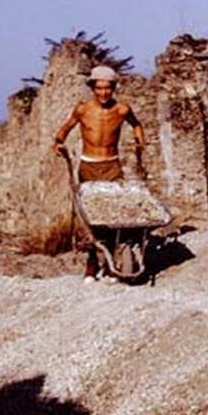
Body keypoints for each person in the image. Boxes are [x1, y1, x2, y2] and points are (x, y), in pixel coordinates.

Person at [53, 65, 145, 281]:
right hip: (89, 167)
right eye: (99, 88)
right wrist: (58, 144)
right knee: (91, 218)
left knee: (114, 215)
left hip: (113, 167)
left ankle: (112, 264)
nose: (103, 93)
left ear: (113, 88)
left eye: (108, 89)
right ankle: (92, 262)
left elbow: (136, 125)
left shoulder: (122, 109)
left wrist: (140, 138)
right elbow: (64, 130)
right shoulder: (83, 109)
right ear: (93, 87)